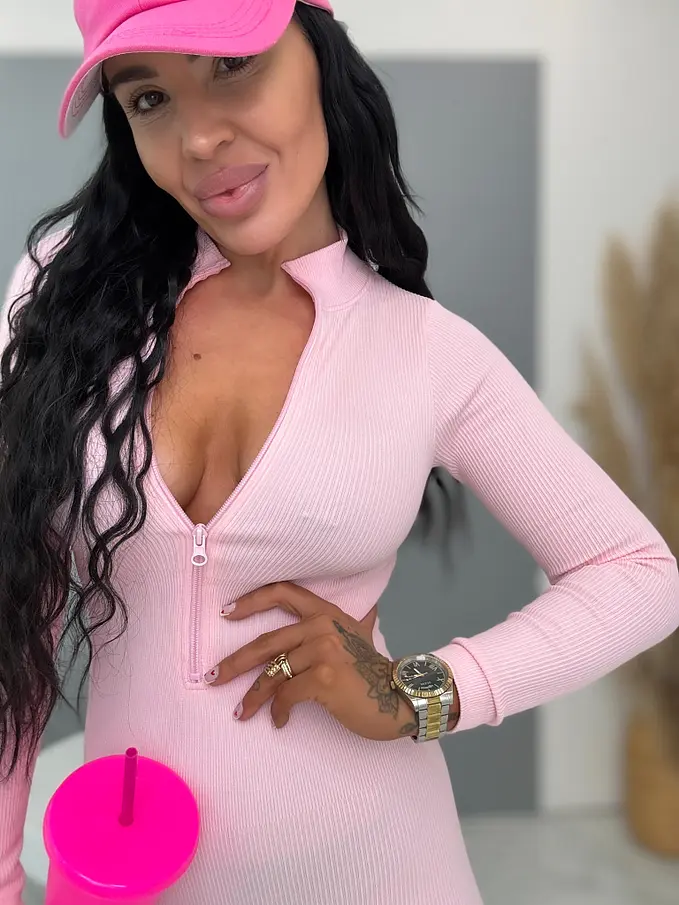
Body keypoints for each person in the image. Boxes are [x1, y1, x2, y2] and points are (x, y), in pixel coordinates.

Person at [1, 1, 678, 903]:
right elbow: (15, 609)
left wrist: (425, 690)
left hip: (378, 867)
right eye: (149, 97)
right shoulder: (64, 298)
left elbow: (638, 572)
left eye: (232, 66)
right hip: (131, 875)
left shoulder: (425, 350)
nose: (199, 137)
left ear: (321, 56)